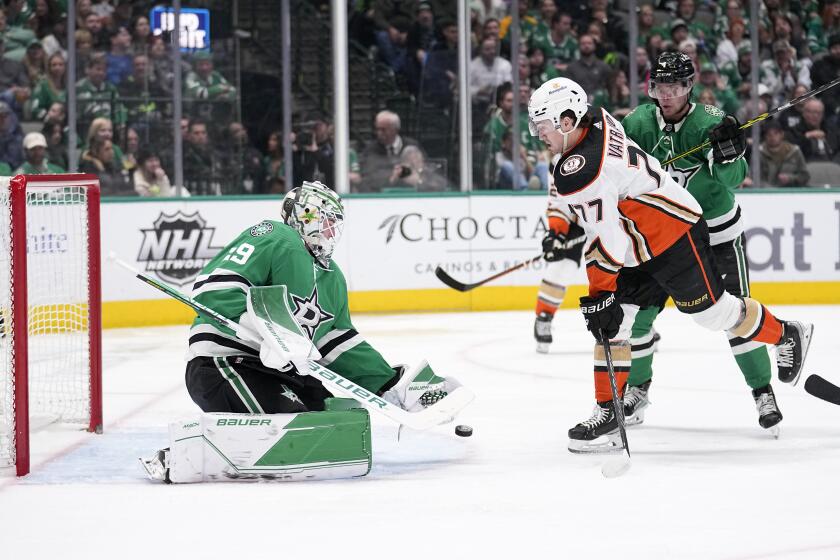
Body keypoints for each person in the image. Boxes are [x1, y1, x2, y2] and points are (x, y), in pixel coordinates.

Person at [527, 76, 813, 452]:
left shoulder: (581, 171)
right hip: (638, 242)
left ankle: (786, 333)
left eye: (541, 125)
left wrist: (599, 293)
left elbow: (605, 239)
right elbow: (607, 219)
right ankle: (608, 409)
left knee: (714, 314)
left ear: (566, 121)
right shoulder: (596, 119)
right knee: (615, 326)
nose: (537, 134)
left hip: (673, 232)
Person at [141, 181, 464, 482]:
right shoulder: (273, 235)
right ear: (304, 216)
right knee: (293, 425)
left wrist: (389, 385)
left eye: (334, 223)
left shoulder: (331, 276)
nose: (330, 230)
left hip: (281, 374)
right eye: (325, 220)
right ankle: (184, 455)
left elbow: (338, 343)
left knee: (331, 423)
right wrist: (259, 328)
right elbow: (213, 288)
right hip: (224, 365)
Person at [619, 51, 792, 433]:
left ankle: (762, 391)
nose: (665, 94)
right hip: (663, 238)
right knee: (638, 318)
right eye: (660, 86)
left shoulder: (711, 123)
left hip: (716, 234)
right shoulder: (637, 123)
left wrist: (730, 155)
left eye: (674, 87)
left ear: (688, 87)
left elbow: (732, 180)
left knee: (736, 315)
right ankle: (637, 388)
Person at [360, 110, 421, 192]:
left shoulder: (412, 146)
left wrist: (418, 178)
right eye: (377, 129)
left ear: (395, 129)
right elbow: (367, 177)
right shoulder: (370, 150)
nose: (379, 133)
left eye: (383, 130)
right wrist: (391, 177)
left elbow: (425, 170)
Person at [758, 119, 810, 188]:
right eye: (769, 134)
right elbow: (753, 177)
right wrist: (768, 188)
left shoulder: (794, 151)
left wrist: (790, 178)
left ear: (782, 134)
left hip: (790, 192)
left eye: (776, 133)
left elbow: (805, 176)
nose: (772, 137)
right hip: (765, 193)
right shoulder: (759, 153)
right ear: (765, 137)